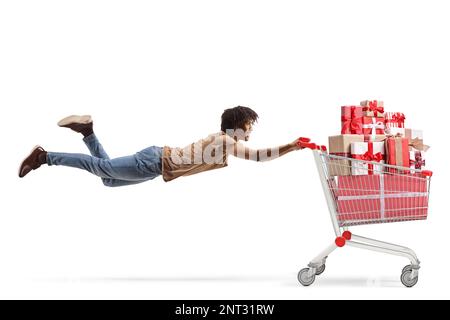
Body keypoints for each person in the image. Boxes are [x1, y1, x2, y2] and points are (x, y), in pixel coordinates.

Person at [18, 106, 304, 186]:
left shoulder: (222, 140)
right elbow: (257, 158)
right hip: (154, 162)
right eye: (249, 127)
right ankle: (45, 157)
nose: (251, 132)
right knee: (102, 168)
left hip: (156, 166)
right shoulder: (226, 140)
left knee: (107, 179)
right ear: (238, 126)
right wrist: (290, 146)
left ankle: (88, 131)